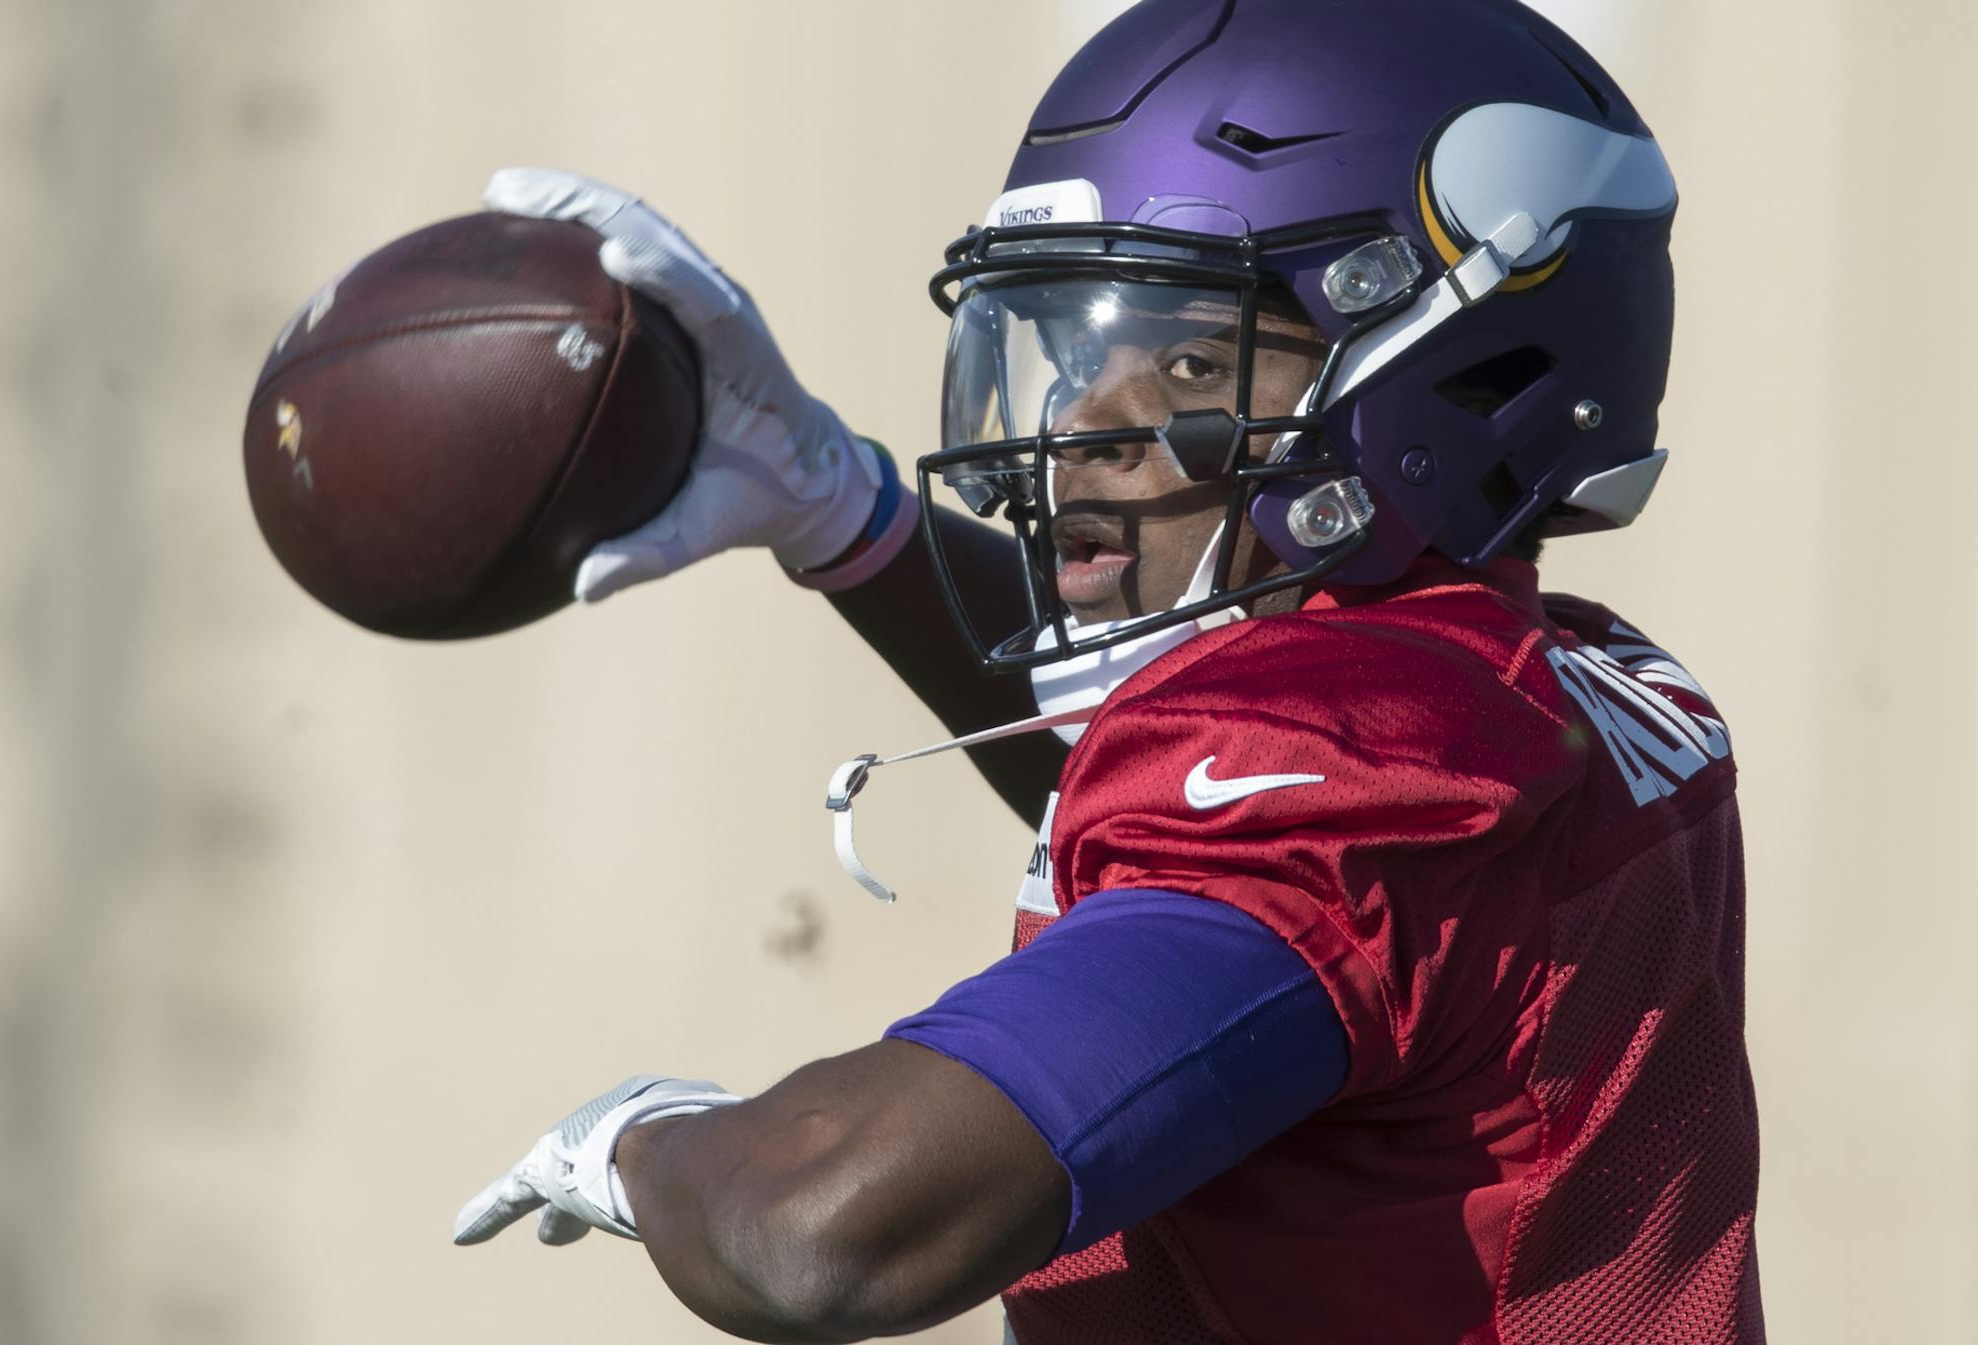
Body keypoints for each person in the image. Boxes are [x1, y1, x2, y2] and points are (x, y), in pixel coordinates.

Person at [452, 2, 1763, 1342]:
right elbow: (1190, 839)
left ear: (1451, 372)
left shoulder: (1381, 774)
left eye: (1192, 357)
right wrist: (845, 518)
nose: (1079, 424)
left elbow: (819, 1228)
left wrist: (651, 1142)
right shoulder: (1539, 680)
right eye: (1080, 352)